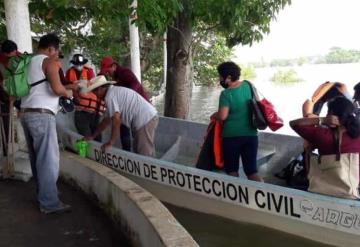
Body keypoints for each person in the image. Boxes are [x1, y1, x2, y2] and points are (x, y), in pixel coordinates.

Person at [20, 33, 73, 214]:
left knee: (37, 159)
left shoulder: (28, 62)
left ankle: (44, 195)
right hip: (42, 115)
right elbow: (57, 89)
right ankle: (50, 203)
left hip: (26, 113)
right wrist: (69, 93)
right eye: (57, 52)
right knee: (48, 160)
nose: (57, 56)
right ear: (51, 49)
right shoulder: (49, 62)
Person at [290, 96, 360, 196]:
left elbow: (294, 124)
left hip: (324, 188)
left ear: (331, 115)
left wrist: (322, 120)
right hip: (353, 187)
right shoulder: (357, 134)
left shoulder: (323, 135)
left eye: (328, 112)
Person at [83, 75, 158, 157]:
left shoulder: (110, 96)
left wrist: (111, 142)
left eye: (95, 92)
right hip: (147, 117)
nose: (96, 96)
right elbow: (106, 121)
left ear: (100, 89)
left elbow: (116, 120)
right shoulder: (112, 92)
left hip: (145, 119)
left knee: (144, 155)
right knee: (140, 150)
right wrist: (93, 136)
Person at [212, 61, 262, 182]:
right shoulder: (248, 85)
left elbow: (222, 116)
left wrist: (214, 115)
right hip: (251, 135)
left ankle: (235, 198)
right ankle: (264, 195)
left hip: (231, 137)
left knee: (232, 170)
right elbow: (258, 103)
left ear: (228, 77)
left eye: (220, 76)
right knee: (252, 171)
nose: (220, 79)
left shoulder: (226, 94)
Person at [99, 56, 150, 151]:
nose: (107, 73)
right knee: (124, 129)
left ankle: (139, 155)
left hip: (140, 108)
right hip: (128, 110)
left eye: (108, 70)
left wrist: (127, 99)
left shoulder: (125, 72)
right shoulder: (114, 79)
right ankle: (127, 152)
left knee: (140, 139)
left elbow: (136, 85)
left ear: (114, 66)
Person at [65, 54, 104, 140]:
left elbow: (94, 87)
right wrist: (75, 96)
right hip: (79, 109)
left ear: (83, 63)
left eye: (80, 64)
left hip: (93, 109)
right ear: (74, 63)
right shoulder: (69, 72)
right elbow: (67, 86)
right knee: (85, 134)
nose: (79, 66)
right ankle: (86, 151)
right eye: (77, 64)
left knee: (97, 134)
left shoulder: (89, 71)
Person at [0, 40, 20, 156]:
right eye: (10, 55)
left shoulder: (20, 56)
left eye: (14, 53)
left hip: (19, 91)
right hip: (4, 94)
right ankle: (6, 150)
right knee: (6, 120)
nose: (13, 56)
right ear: (4, 53)